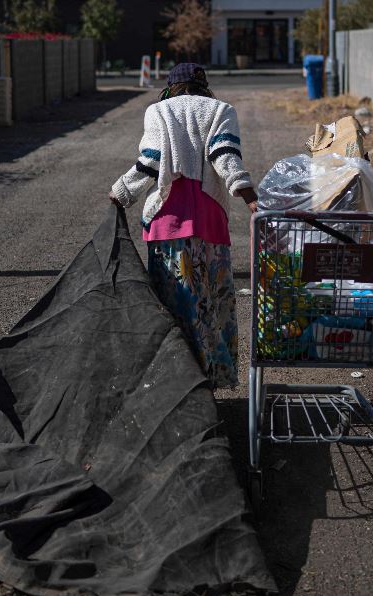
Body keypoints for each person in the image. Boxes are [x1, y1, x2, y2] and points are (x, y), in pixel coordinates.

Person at [109, 63, 258, 389]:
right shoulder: (221, 110)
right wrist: (249, 196)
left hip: (168, 226)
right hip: (210, 224)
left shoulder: (157, 112)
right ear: (203, 86)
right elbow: (225, 157)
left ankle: (179, 388)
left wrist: (121, 192)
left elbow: (150, 162)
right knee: (213, 305)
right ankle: (213, 379)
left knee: (176, 311)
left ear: (170, 86)